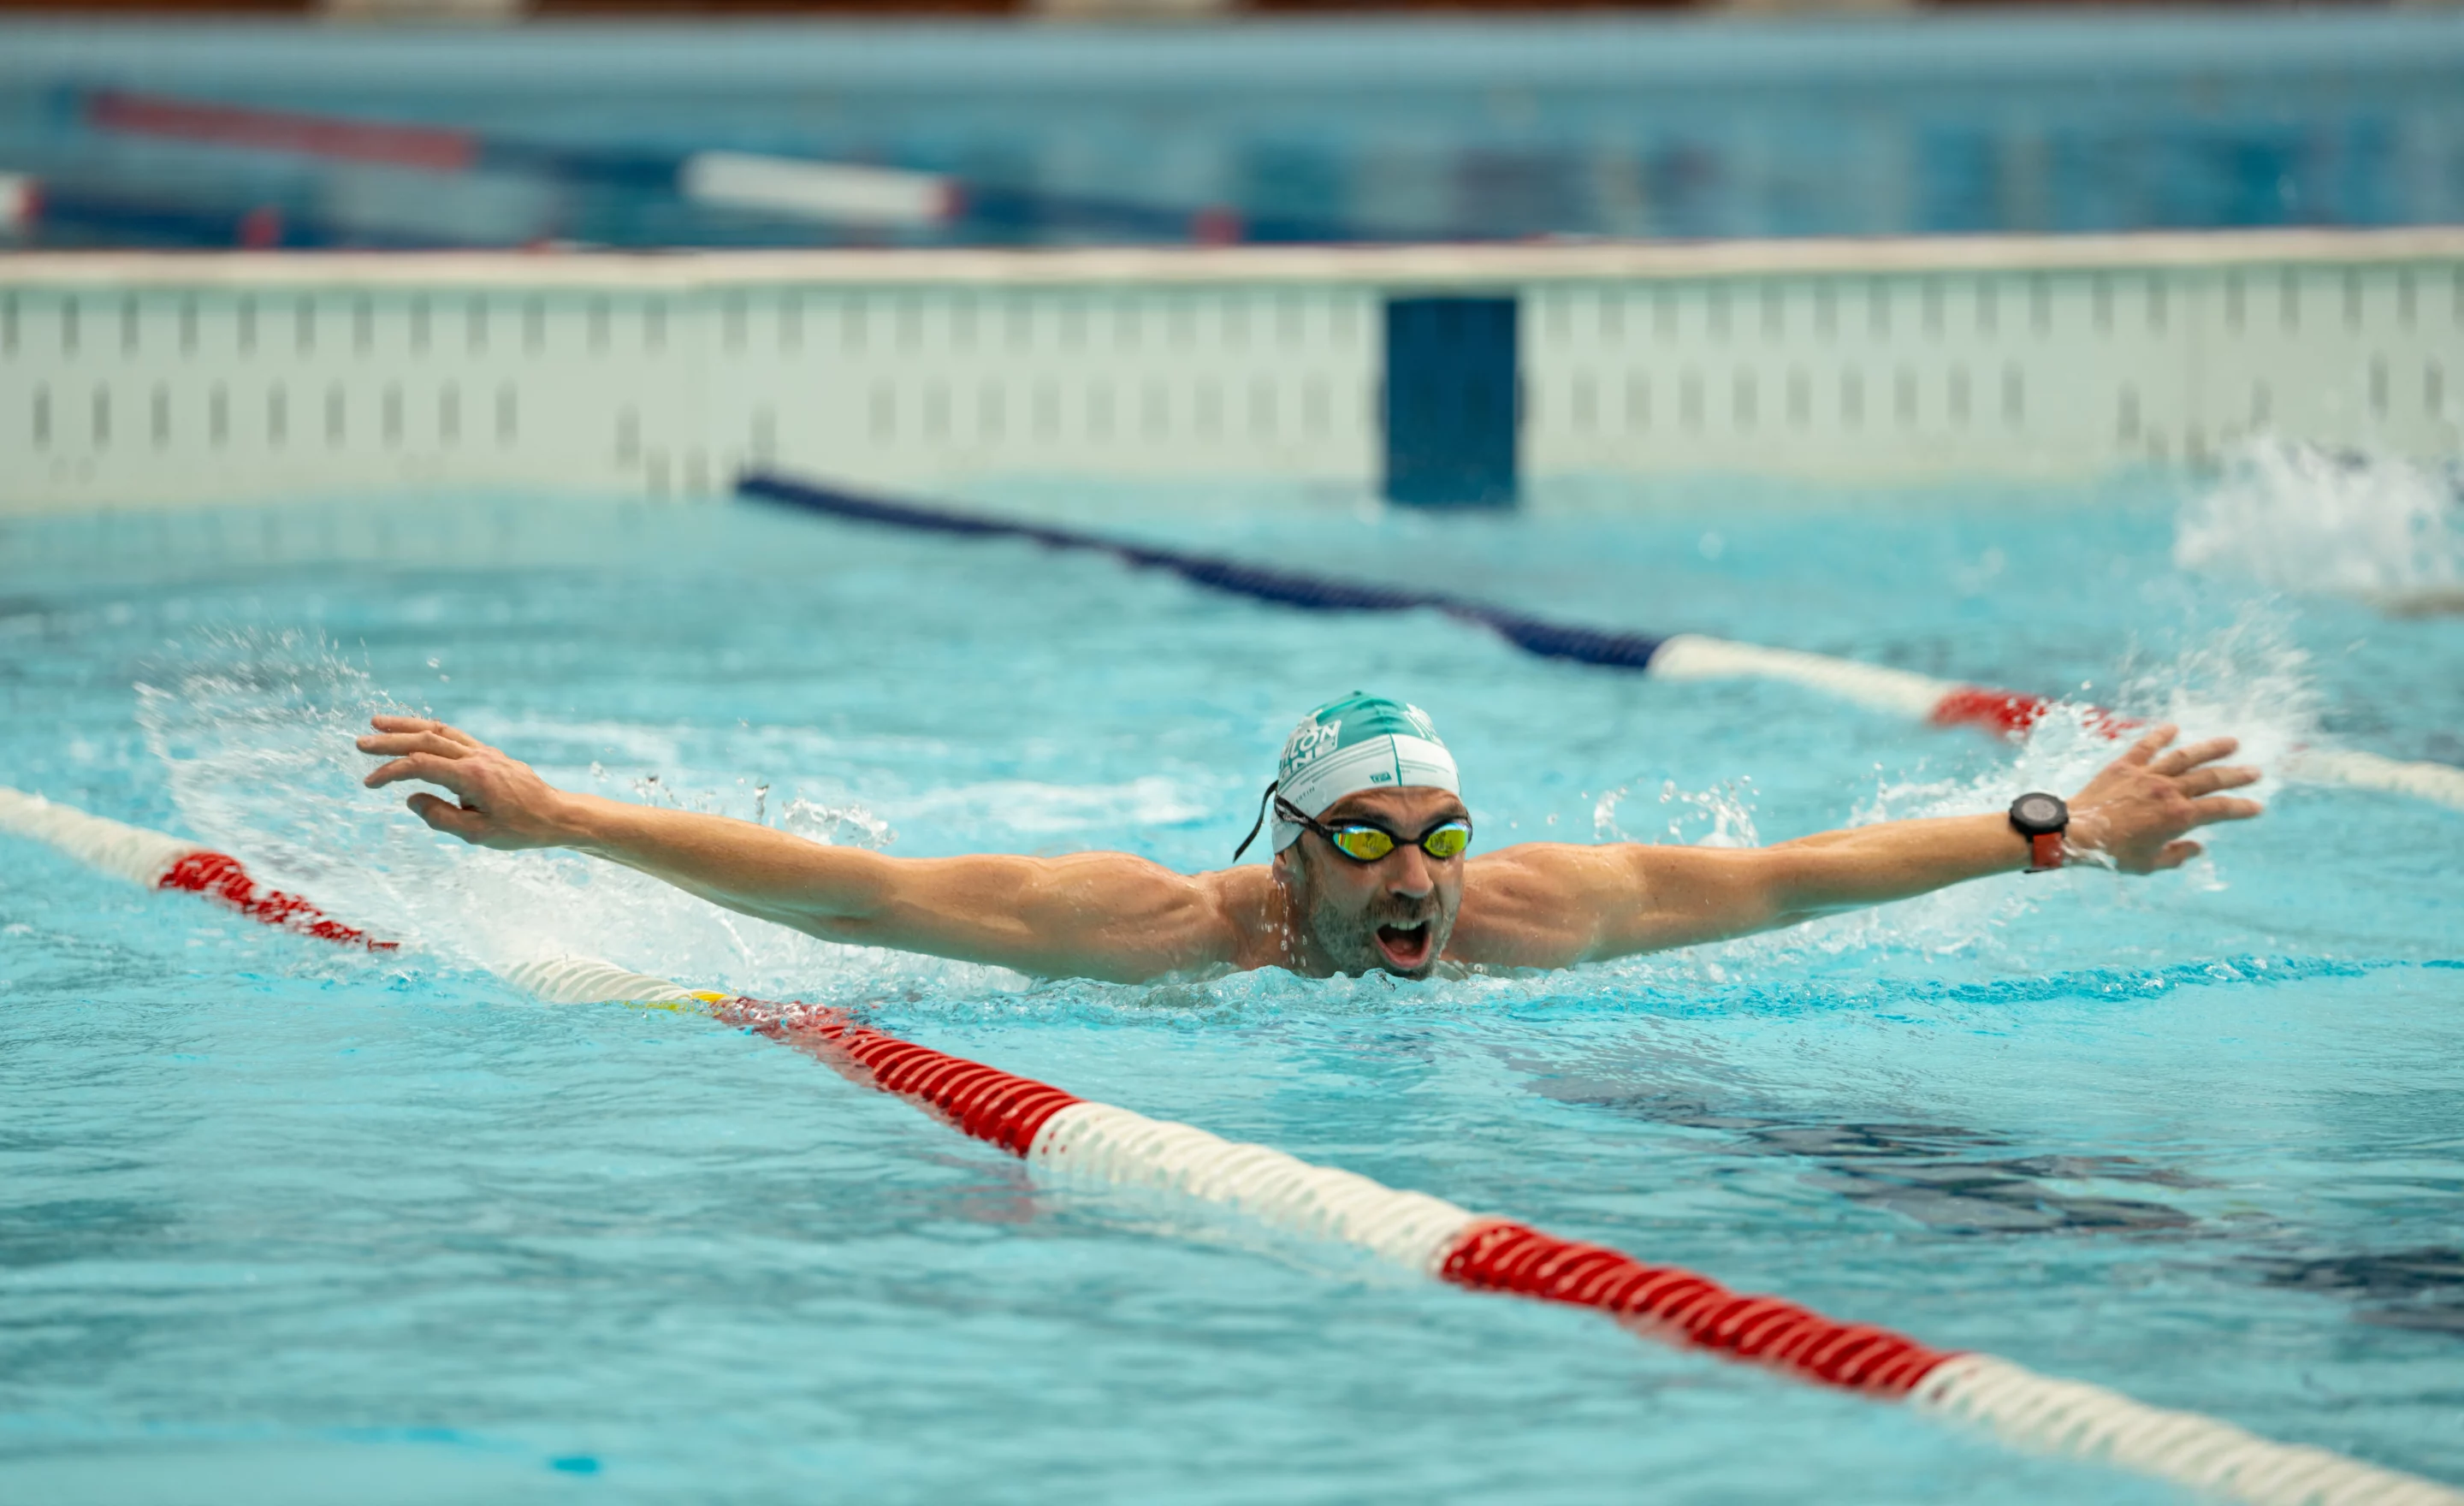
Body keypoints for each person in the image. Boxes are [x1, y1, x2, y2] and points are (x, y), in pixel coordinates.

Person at [358, 690, 2263, 983]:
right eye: (1369, 842)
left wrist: (2058, 827)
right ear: (1292, 850)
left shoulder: (1529, 917)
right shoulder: (1169, 931)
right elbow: (850, 891)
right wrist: (562, 823)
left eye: (1436, 834)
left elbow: (1795, 872)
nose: (1416, 876)